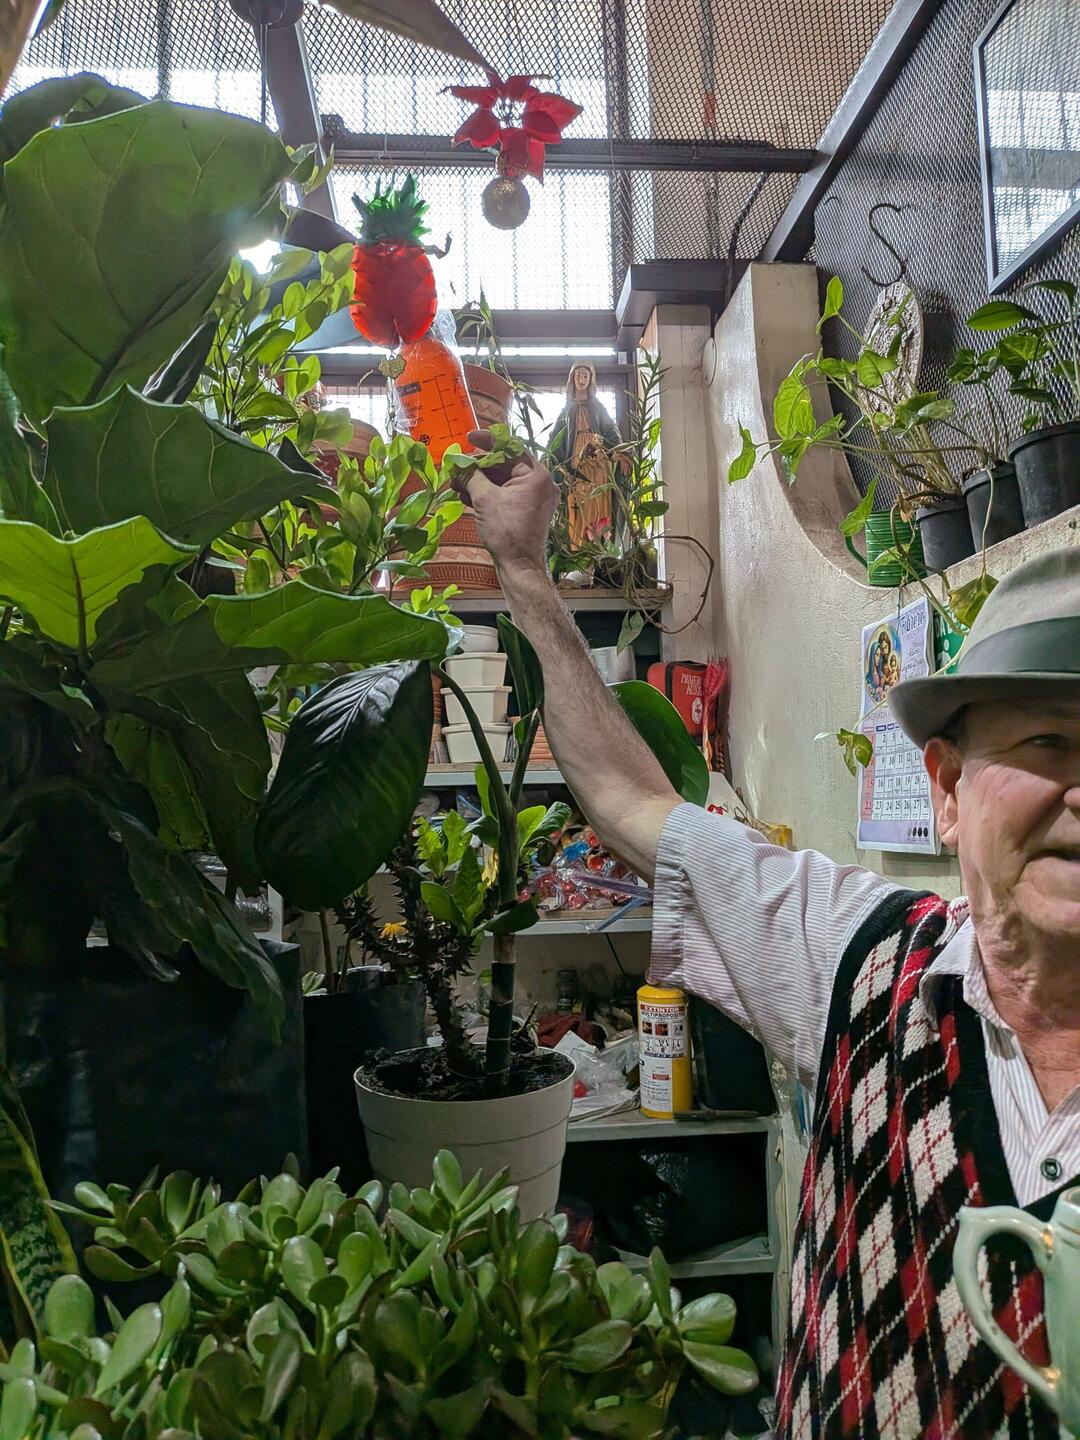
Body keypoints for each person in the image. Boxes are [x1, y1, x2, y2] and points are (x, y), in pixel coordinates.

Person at [462, 429, 1080, 1440]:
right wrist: (524, 570)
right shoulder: (859, 955)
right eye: (1047, 742)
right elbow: (626, 796)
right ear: (950, 789)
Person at [549, 363, 626, 552]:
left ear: (590, 379)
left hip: (597, 459)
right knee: (576, 499)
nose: (582, 380)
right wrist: (548, 460)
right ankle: (577, 549)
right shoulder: (566, 410)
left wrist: (621, 453)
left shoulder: (598, 407)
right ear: (572, 379)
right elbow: (556, 439)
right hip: (576, 460)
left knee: (598, 497)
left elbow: (611, 431)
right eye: (578, 376)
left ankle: (599, 547)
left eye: (585, 376)